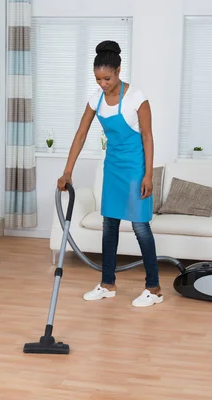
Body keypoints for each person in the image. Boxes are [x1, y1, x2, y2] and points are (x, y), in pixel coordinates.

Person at [57, 40, 162, 308]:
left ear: (118, 71)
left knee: (140, 227)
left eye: (107, 78)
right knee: (109, 226)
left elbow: (148, 137)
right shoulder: (96, 99)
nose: (103, 84)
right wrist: (67, 171)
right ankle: (108, 284)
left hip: (135, 168)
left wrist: (148, 175)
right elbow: (81, 134)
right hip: (113, 166)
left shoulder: (136, 97)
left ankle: (154, 288)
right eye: (98, 79)